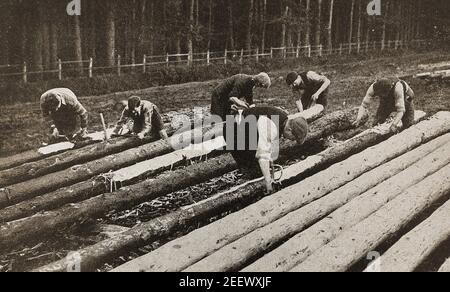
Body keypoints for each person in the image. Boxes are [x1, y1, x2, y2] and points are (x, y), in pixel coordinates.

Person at [224, 106, 309, 194]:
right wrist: (268, 183)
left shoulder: (283, 118)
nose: (291, 140)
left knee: (260, 169)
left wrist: (270, 163)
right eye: (293, 138)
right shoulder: (271, 126)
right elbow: (263, 155)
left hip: (244, 127)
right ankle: (243, 191)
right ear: (289, 129)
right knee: (253, 169)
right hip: (232, 131)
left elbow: (269, 145)